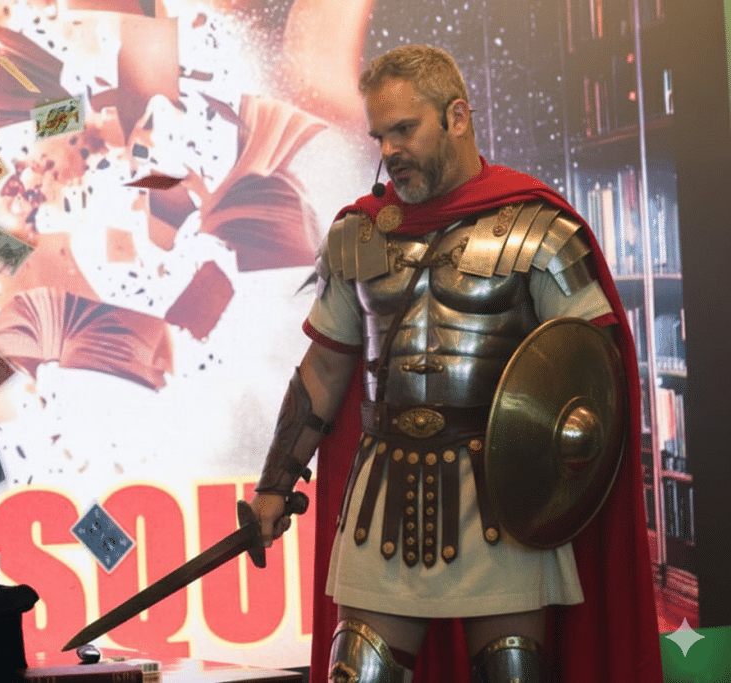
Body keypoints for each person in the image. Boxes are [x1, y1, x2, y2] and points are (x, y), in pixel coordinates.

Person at [249, 45, 662, 683]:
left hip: (501, 495)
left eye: (404, 129)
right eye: (379, 134)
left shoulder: (538, 229)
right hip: (383, 494)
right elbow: (325, 372)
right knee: (356, 674)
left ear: (457, 116)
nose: (388, 150)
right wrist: (275, 485)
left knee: (513, 674)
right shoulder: (359, 235)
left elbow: (593, 374)